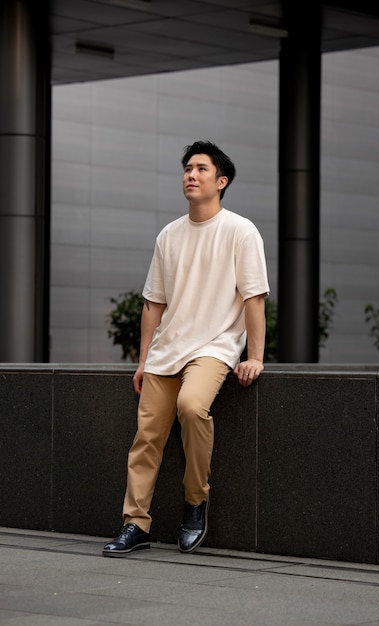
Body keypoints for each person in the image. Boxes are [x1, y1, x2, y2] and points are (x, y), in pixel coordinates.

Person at [103, 140, 270, 557]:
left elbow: (254, 299)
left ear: (221, 180)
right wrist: (143, 361)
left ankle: (196, 501)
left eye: (200, 169)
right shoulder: (169, 235)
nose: (190, 175)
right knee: (146, 437)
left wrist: (255, 357)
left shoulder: (241, 230)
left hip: (214, 346)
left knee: (193, 407)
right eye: (187, 169)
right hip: (166, 350)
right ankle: (135, 524)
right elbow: (153, 304)